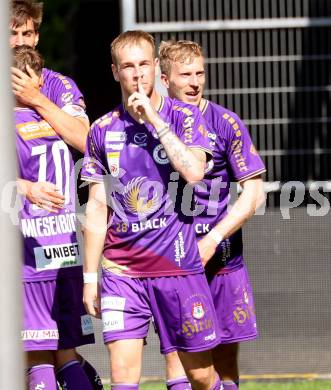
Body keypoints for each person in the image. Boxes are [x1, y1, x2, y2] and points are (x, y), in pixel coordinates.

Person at [81, 30, 223, 390]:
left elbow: (194, 172)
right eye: (128, 67)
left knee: (201, 376)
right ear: (115, 72)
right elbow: (98, 207)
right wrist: (90, 276)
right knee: (124, 379)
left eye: (144, 64)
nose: (137, 74)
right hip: (121, 272)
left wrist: (155, 121)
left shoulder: (185, 116)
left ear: (156, 67)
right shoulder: (102, 129)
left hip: (177, 268)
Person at [159, 40, 266, 390]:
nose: (194, 82)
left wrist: (214, 238)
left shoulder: (225, 122)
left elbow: (253, 193)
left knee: (224, 368)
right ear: (164, 79)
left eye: (199, 73)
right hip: (172, 262)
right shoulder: (152, 124)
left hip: (221, 259)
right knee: (178, 357)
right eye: (184, 74)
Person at [13, 46, 103, 390]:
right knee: (65, 354)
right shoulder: (54, 123)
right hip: (64, 250)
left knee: (35, 358)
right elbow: (86, 140)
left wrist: (23, 187)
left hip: (29, 255)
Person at [11, 0, 88, 210]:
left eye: (26, 34)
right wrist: (25, 188)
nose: (20, 42)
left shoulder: (58, 85)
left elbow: (85, 141)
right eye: (12, 33)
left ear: (36, 37)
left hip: (58, 227)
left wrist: (35, 98)